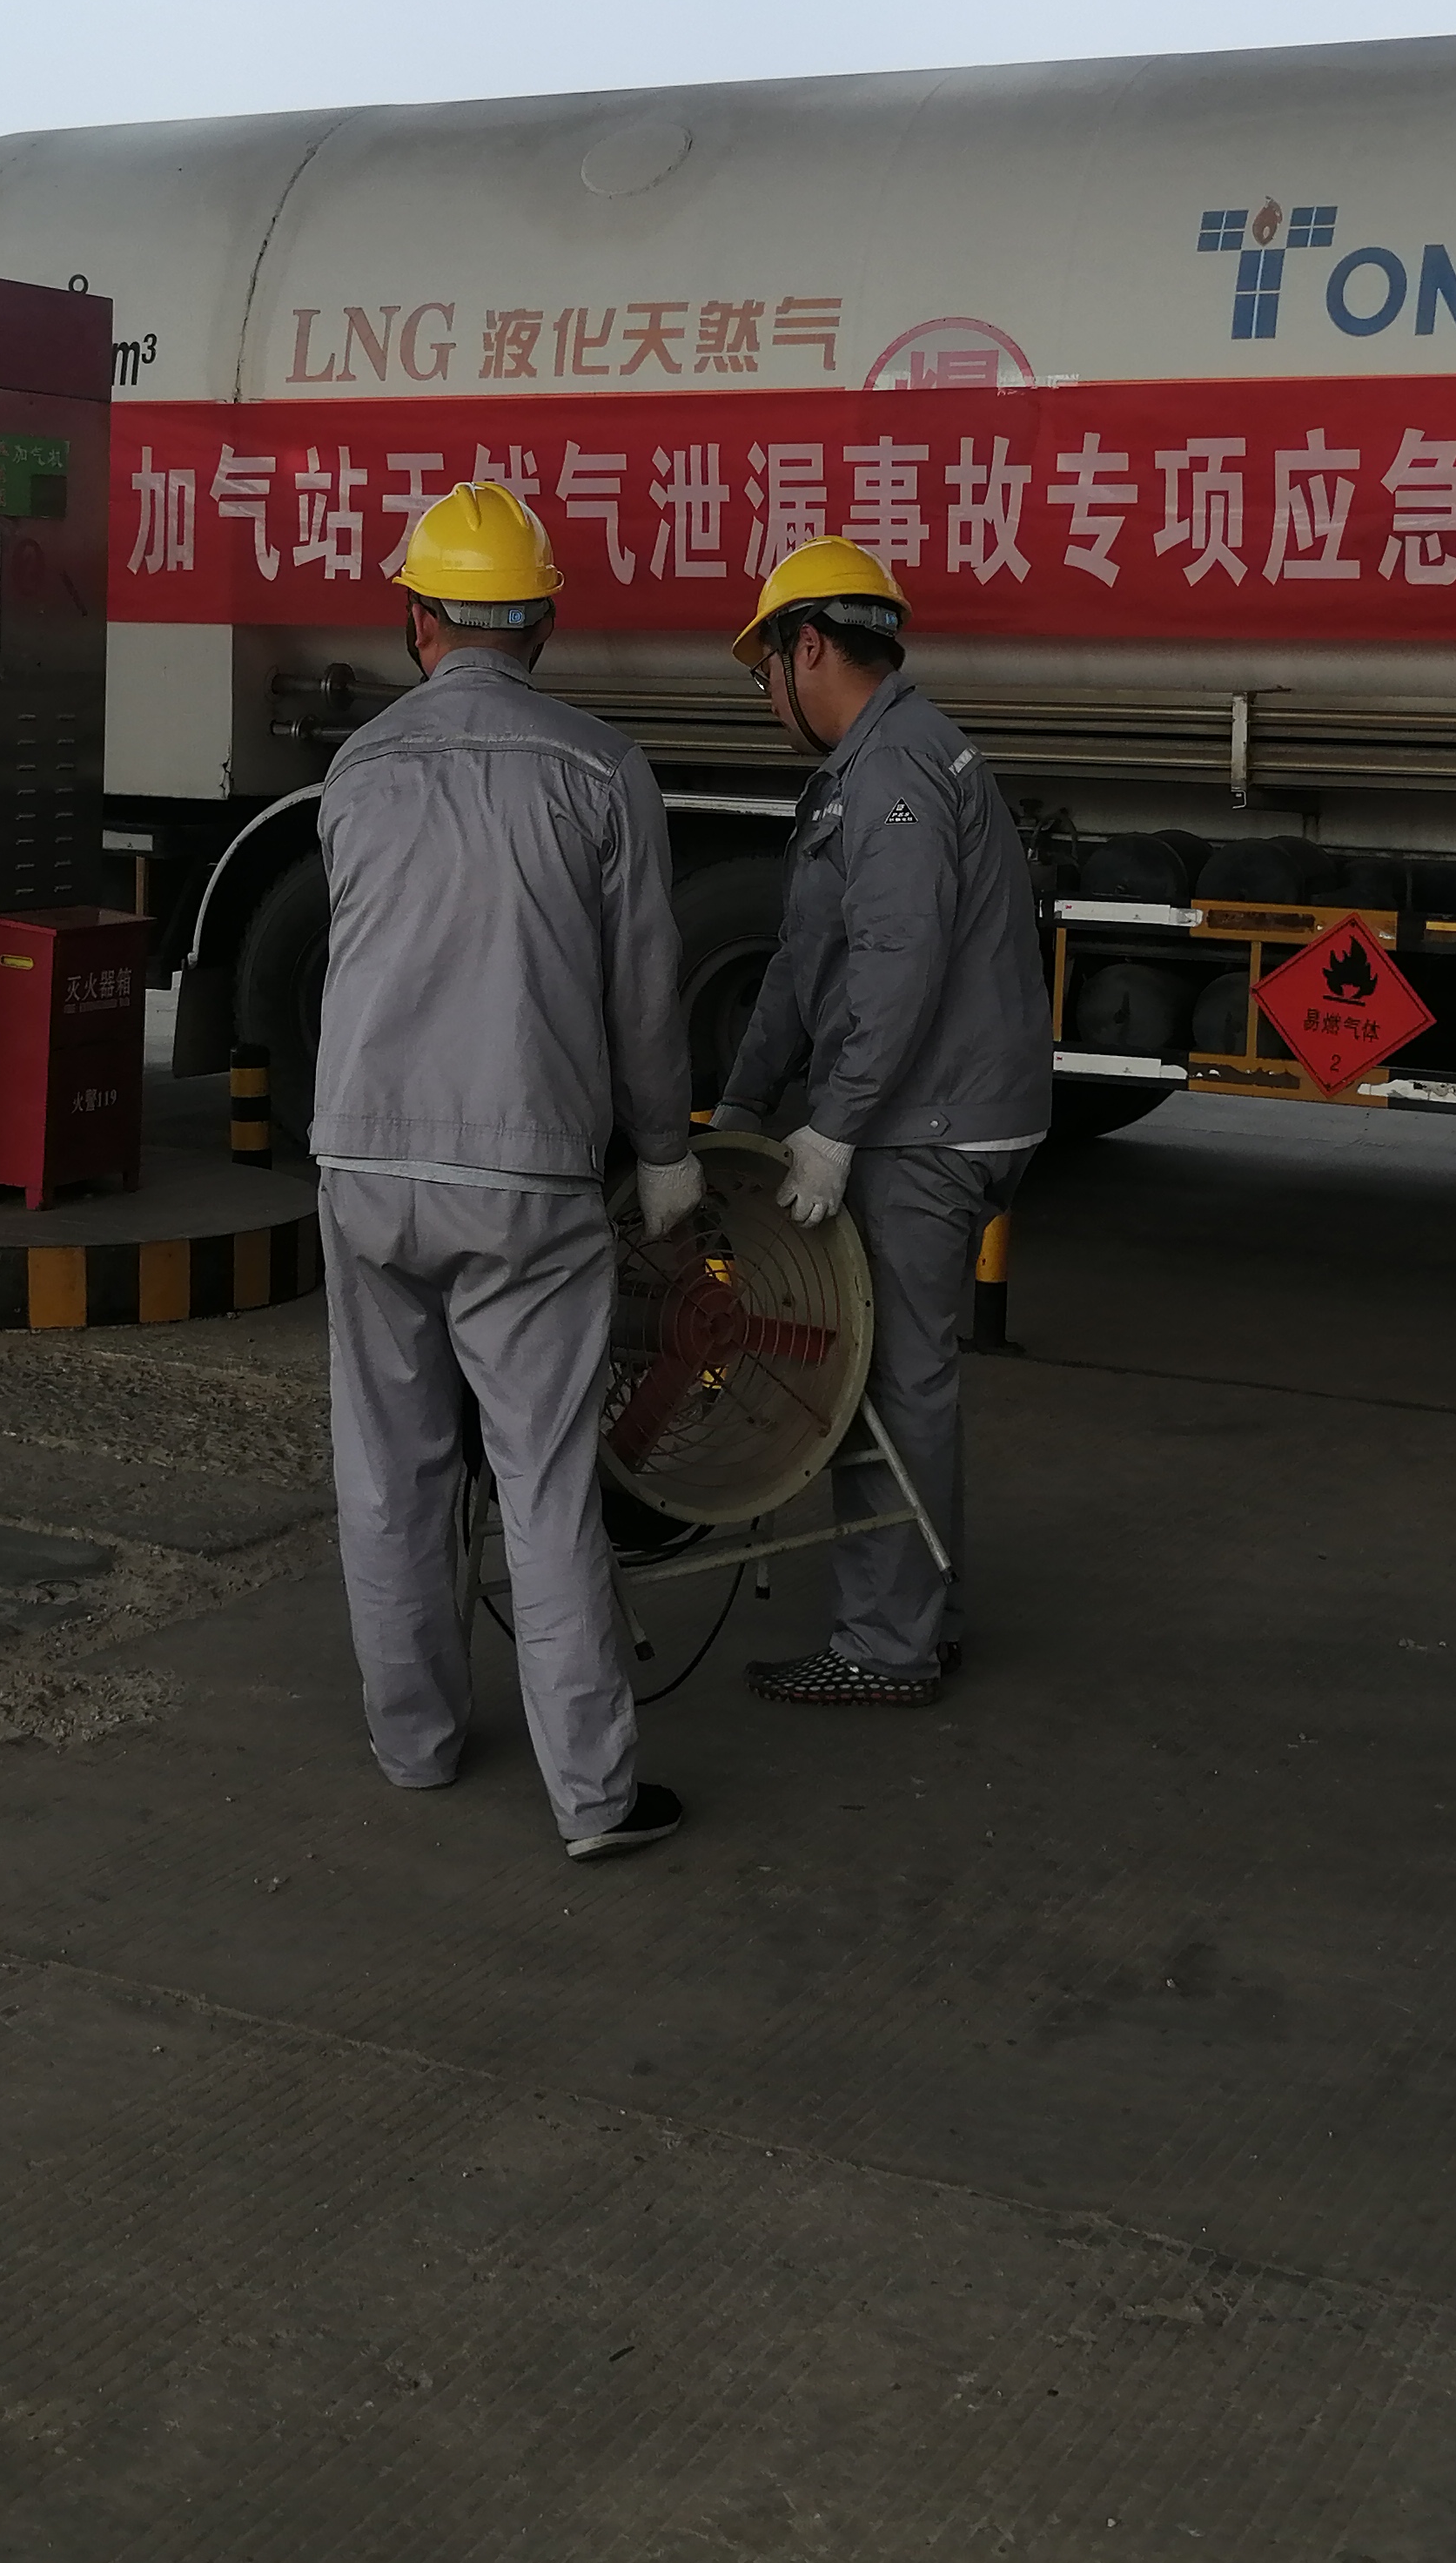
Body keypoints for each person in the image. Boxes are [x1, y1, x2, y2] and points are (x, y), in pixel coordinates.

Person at [311, 481, 706, 1863]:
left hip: (364, 1158)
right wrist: (666, 1157)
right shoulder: (602, 771)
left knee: (388, 1469)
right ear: (541, 624)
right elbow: (644, 994)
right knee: (543, 1480)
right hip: (525, 1172)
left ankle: (414, 1742)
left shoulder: (357, 770)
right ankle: (592, 1798)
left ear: (417, 620)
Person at [717, 538, 1050, 1705]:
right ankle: (923, 1618)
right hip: (949, 1108)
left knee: (885, 1380)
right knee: (904, 1376)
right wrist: (744, 1104)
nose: (766, 695)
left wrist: (835, 1127)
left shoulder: (893, 769)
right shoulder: (883, 759)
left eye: (765, 669)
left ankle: (883, 1649)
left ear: (807, 646)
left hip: (930, 1122)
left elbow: (898, 961)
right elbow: (806, 960)